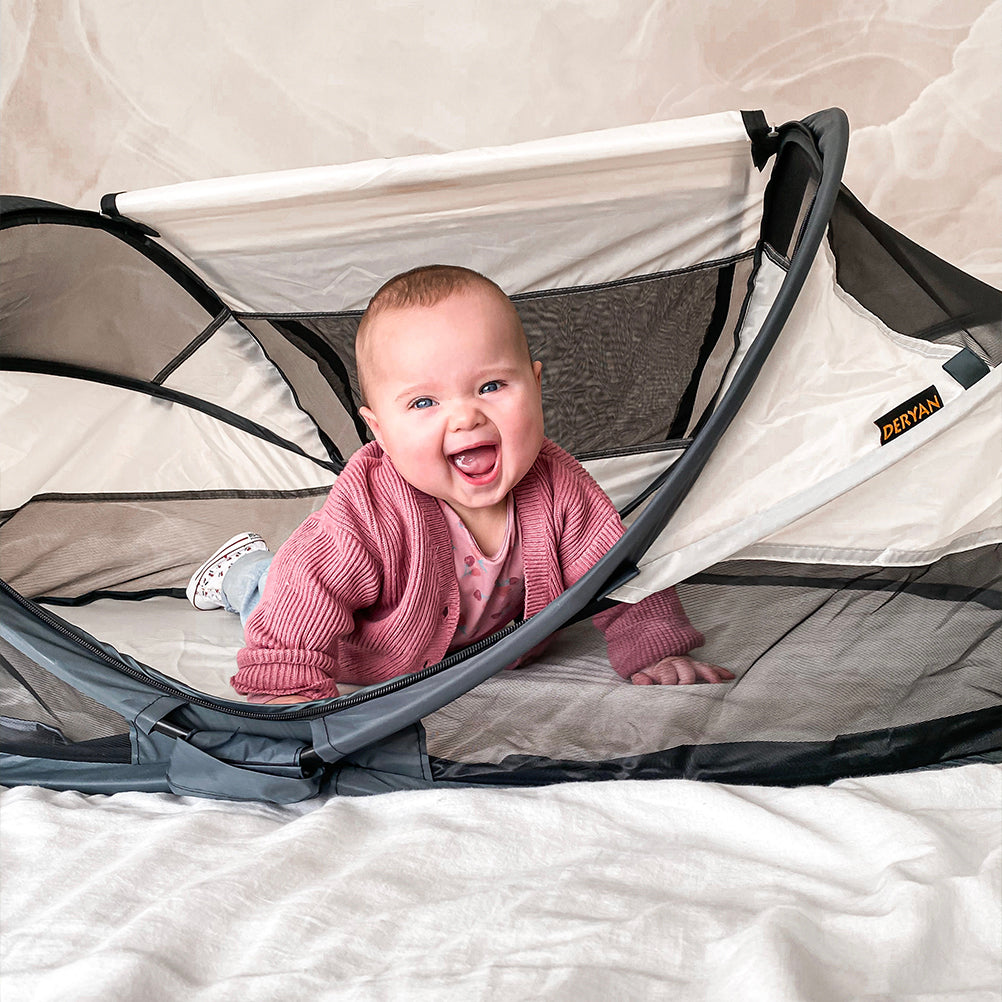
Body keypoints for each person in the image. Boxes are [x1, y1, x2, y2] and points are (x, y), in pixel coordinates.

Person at [186, 265, 733, 703]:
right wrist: (284, 684)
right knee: (270, 589)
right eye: (424, 402)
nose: (466, 416)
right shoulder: (371, 507)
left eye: (491, 385)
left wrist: (656, 648)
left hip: (470, 645)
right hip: (360, 645)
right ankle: (240, 567)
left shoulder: (560, 487)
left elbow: (614, 570)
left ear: (535, 387)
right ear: (380, 430)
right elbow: (308, 592)